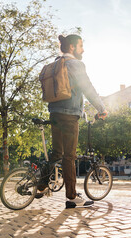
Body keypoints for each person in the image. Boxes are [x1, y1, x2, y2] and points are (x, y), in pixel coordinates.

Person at [46, 34, 108, 208]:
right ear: (72, 47)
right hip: (69, 115)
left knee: (56, 153)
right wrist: (101, 108)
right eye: (81, 46)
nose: (83, 49)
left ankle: (42, 185)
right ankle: (72, 197)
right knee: (69, 156)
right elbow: (87, 88)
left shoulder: (56, 64)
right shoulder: (76, 64)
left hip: (54, 113)